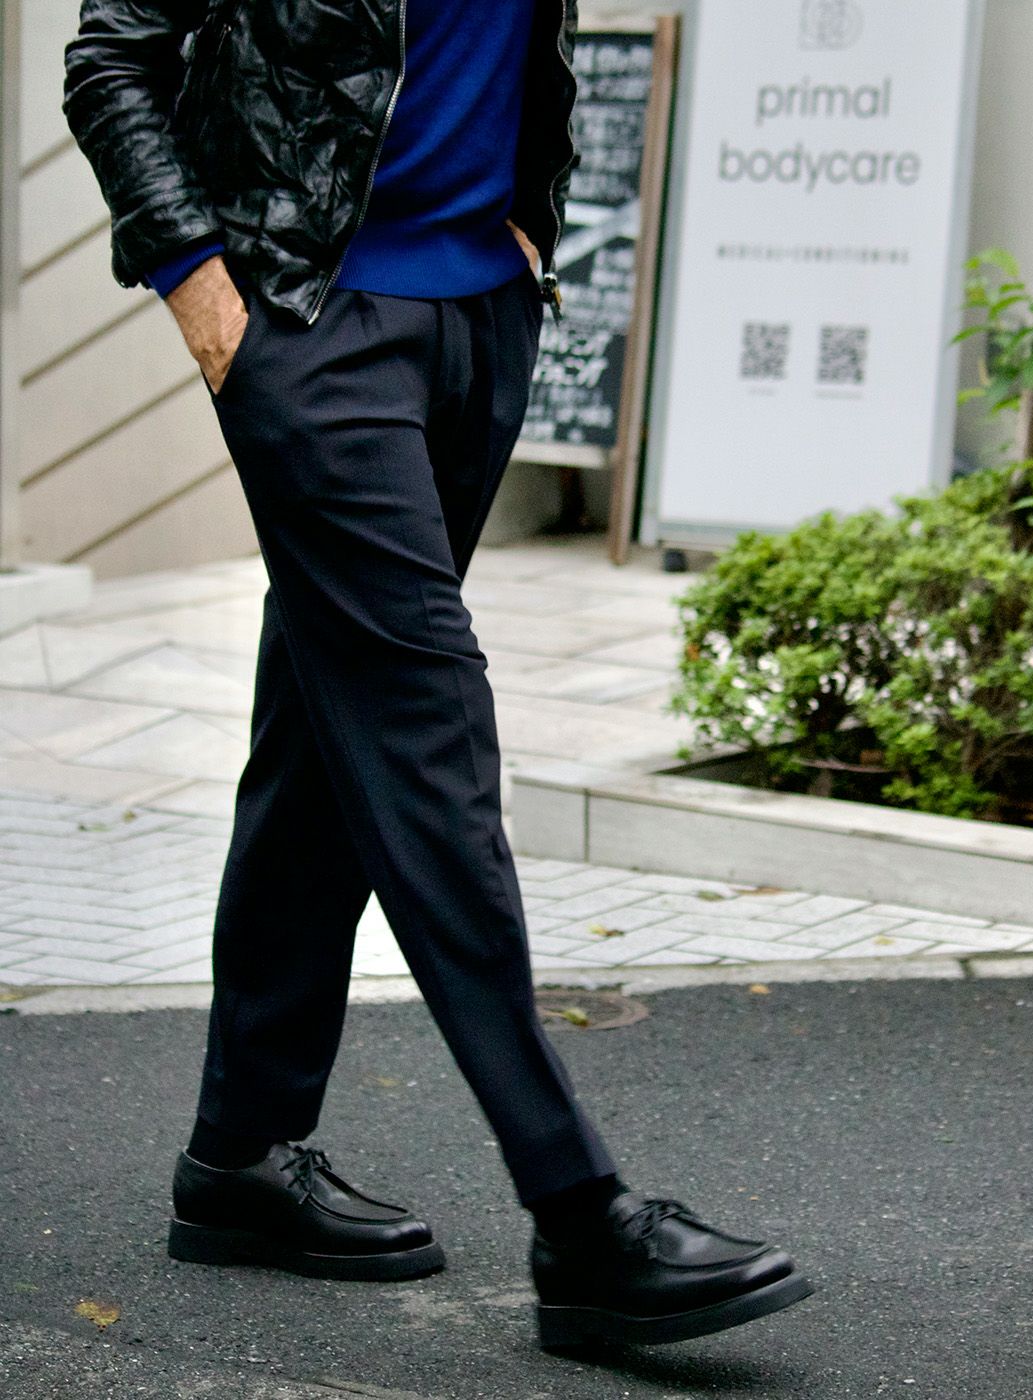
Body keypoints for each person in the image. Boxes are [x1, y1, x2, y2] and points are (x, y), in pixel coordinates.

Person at [62, 0, 813, 1349]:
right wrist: (201, 288)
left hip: (479, 315)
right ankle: (579, 1214)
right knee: (426, 735)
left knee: (325, 732)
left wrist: (524, 236)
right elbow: (114, 52)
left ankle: (239, 1154)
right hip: (307, 317)